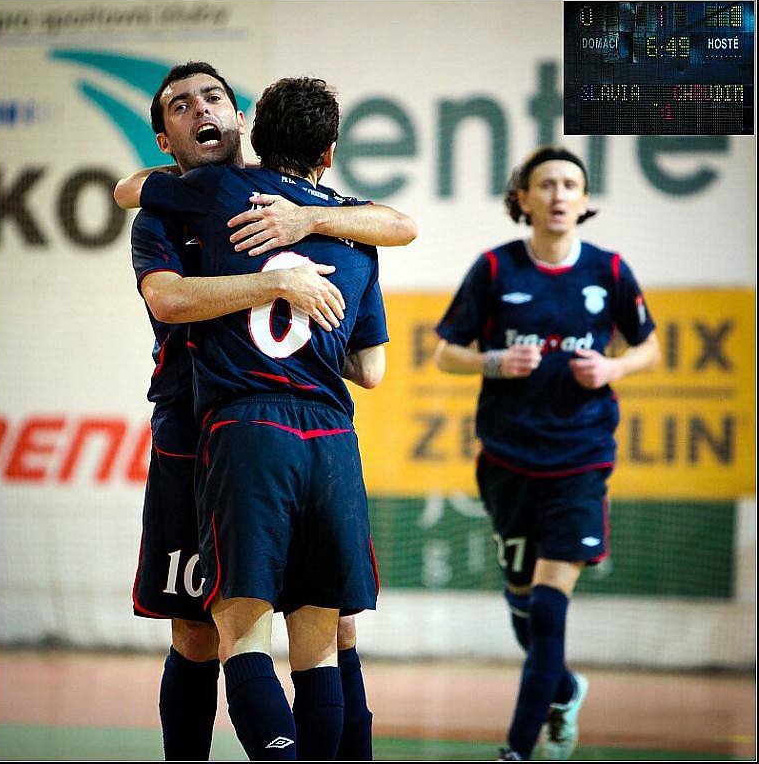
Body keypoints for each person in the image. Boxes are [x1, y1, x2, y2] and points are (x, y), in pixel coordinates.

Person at [120, 62, 416, 761]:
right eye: (182, 105)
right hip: (193, 436)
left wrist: (309, 217)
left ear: (242, 116)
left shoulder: (273, 201)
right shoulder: (168, 211)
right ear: (166, 137)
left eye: (214, 96)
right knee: (197, 630)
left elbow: (398, 224)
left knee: (320, 630)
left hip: (249, 432)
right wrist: (272, 284)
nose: (202, 110)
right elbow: (166, 297)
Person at [433, 146, 660, 761]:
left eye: (571, 185)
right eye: (546, 184)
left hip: (580, 464)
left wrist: (613, 367)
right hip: (506, 464)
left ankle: (517, 750)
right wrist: (494, 361)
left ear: (584, 202)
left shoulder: (609, 271)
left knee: (550, 612)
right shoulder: (495, 269)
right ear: (524, 199)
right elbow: (444, 351)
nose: (560, 194)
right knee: (523, 615)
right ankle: (564, 689)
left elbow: (650, 347)